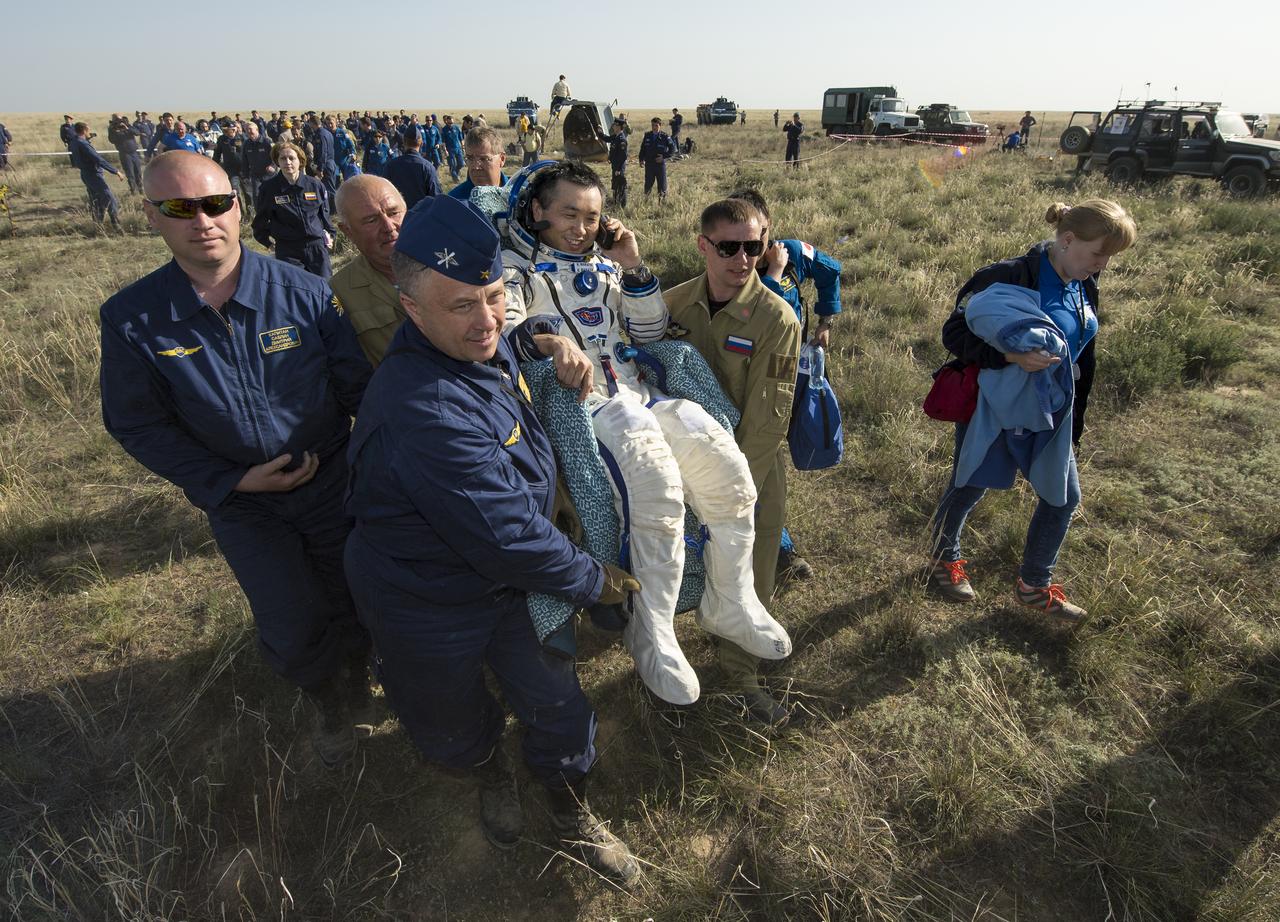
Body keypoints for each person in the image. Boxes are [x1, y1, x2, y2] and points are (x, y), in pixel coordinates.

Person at [344, 194, 642, 885]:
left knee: (558, 705)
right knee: (449, 721)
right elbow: (510, 538)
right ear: (412, 308)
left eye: (494, 295)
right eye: (462, 306)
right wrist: (596, 579)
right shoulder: (425, 412)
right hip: (425, 599)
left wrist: (544, 334)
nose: (485, 320)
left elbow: (506, 337)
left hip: (504, 586)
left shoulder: (468, 338)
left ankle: (568, 805)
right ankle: (488, 773)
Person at [99, 151, 374, 768]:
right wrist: (231, 480)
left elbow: (358, 388)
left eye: (215, 203)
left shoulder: (305, 292)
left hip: (332, 485)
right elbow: (136, 422)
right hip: (244, 506)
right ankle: (328, 702)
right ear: (151, 216)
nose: (203, 221)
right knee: (289, 618)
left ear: (238, 207)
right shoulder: (131, 319)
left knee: (354, 593)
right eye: (180, 208)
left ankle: (358, 679)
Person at [501, 160, 792, 707]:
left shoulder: (605, 266)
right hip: (588, 403)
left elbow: (651, 329)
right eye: (569, 214)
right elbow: (505, 326)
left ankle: (730, 599)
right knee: (657, 483)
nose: (582, 228)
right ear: (536, 210)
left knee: (724, 462)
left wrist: (632, 267)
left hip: (638, 388)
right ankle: (652, 629)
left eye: (592, 217)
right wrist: (553, 342)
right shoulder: (514, 269)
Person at [929, 200, 1137, 620]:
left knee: (1063, 498)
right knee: (970, 484)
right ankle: (942, 558)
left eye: (1109, 257)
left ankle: (1034, 585)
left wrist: (1074, 421)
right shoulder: (1007, 275)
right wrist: (1010, 357)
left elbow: (1082, 356)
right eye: (1099, 254)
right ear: (1067, 239)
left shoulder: (1084, 281)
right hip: (993, 406)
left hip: (1051, 412)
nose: (1103, 265)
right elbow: (953, 333)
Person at [662, 198, 802, 725]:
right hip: (676, 463)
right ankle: (661, 653)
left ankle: (740, 674)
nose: (743, 259)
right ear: (703, 245)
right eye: (728, 247)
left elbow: (768, 420)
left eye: (753, 246)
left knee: (750, 569)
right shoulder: (672, 304)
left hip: (750, 468)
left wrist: (728, 490)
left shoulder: (776, 318)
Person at [728, 189, 842, 584]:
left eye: (757, 236)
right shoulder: (732, 267)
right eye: (738, 238)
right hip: (748, 379)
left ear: (768, 228)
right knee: (759, 458)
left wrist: (825, 321)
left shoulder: (793, 252)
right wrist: (773, 276)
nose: (748, 247)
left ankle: (771, 538)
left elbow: (830, 270)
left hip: (791, 372)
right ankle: (779, 548)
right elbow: (755, 316)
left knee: (784, 449)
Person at [331, 175, 407, 366]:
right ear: (347, 231)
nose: (389, 227)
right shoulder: (338, 293)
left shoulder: (448, 262)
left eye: (393, 213)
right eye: (371, 220)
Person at [252, 141, 335, 279]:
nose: (288, 162)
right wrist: (268, 243)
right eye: (283, 158)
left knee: (325, 286)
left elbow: (325, 216)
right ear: (277, 162)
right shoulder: (268, 189)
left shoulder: (315, 185)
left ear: (300, 160)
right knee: (297, 288)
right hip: (288, 250)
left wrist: (331, 235)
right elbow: (260, 222)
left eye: (292, 158)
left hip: (316, 247)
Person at [69, 122, 124, 228]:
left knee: (96, 201)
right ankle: (116, 224)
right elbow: (98, 159)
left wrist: (87, 139)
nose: (89, 132)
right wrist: (115, 171)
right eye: (88, 130)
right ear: (84, 131)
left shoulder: (74, 142)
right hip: (93, 174)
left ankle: (98, 225)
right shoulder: (83, 144)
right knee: (109, 198)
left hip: (85, 174)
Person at [382, 129, 443, 211]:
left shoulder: (391, 165)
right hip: (421, 215)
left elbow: (383, 194)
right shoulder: (427, 167)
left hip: (399, 214)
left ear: (404, 142)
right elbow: (436, 197)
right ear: (421, 143)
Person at [448, 127, 508, 200]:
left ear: (502, 159)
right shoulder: (454, 201)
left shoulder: (518, 194)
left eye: (483, 159)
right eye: (470, 158)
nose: (476, 167)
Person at [638, 117, 677, 200]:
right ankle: (646, 202)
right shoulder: (647, 135)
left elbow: (673, 149)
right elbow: (643, 149)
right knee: (648, 185)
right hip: (649, 165)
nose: (654, 127)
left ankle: (662, 204)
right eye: (652, 125)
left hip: (660, 165)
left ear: (660, 125)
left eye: (656, 125)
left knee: (662, 187)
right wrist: (641, 160)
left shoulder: (665, 136)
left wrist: (664, 156)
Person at [241, 121, 274, 217]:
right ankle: (260, 217)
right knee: (256, 196)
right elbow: (245, 161)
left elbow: (276, 156)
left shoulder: (267, 142)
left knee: (271, 195)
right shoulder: (246, 144)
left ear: (257, 129)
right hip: (255, 176)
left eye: (250, 129)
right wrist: (245, 176)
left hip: (269, 175)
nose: (248, 131)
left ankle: (274, 215)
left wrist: (273, 166)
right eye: (246, 130)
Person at [108, 115, 144, 194]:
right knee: (130, 173)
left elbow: (137, 133)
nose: (119, 120)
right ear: (113, 120)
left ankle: (141, 189)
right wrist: (116, 131)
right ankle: (133, 191)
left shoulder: (127, 124)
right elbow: (111, 140)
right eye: (116, 119)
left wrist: (127, 128)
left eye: (120, 119)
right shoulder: (112, 128)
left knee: (138, 172)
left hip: (134, 152)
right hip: (124, 154)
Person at [603, 116, 628, 208]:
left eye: (615, 125)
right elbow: (607, 139)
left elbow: (623, 156)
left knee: (620, 185)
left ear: (619, 127)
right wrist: (599, 132)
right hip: (615, 165)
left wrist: (618, 169)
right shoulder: (616, 136)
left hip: (619, 167)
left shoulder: (621, 139)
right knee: (615, 184)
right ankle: (616, 202)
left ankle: (621, 205)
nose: (613, 126)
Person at [440, 115, 465, 181]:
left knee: (461, 164)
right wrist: (445, 150)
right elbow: (443, 142)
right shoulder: (444, 130)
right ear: (446, 121)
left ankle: (455, 172)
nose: (451, 124)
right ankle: (455, 178)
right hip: (450, 150)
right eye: (449, 123)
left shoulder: (457, 128)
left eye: (452, 123)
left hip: (458, 148)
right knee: (452, 165)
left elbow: (461, 138)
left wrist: (463, 147)